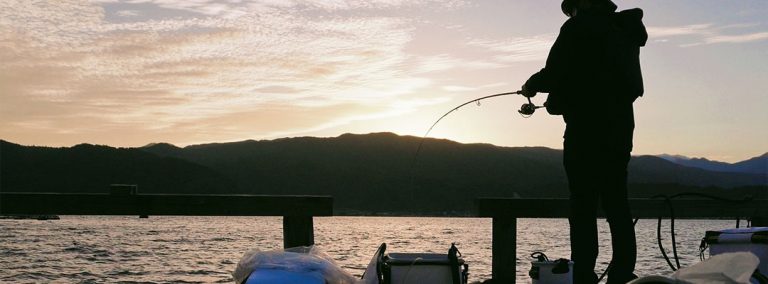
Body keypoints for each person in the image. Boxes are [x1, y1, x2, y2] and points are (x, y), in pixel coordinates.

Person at [521, 0, 647, 283]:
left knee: (583, 206)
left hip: (585, 132)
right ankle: (623, 273)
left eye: (572, 8)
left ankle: (584, 274)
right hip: (620, 131)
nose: (571, 14)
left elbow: (555, 74)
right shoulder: (624, 30)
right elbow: (591, 75)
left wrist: (530, 85)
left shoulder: (577, 28)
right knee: (617, 203)